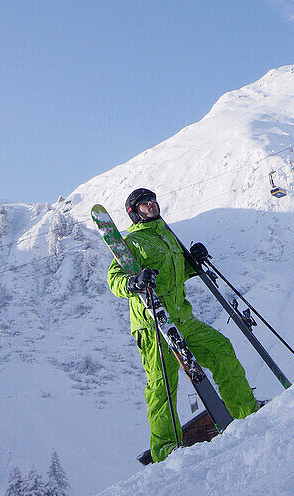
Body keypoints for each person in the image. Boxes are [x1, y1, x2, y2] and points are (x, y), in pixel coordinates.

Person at [106, 187, 260, 463]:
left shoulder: (167, 236)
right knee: (163, 384)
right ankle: (166, 447)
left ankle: (245, 411)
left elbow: (175, 274)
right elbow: (115, 279)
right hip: (154, 325)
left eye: (153, 200)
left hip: (182, 319)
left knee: (221, 349)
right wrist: (134, 281)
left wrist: (194, 261)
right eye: (144, 203)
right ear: (134, 213)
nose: (151, 205)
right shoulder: (131, 242)